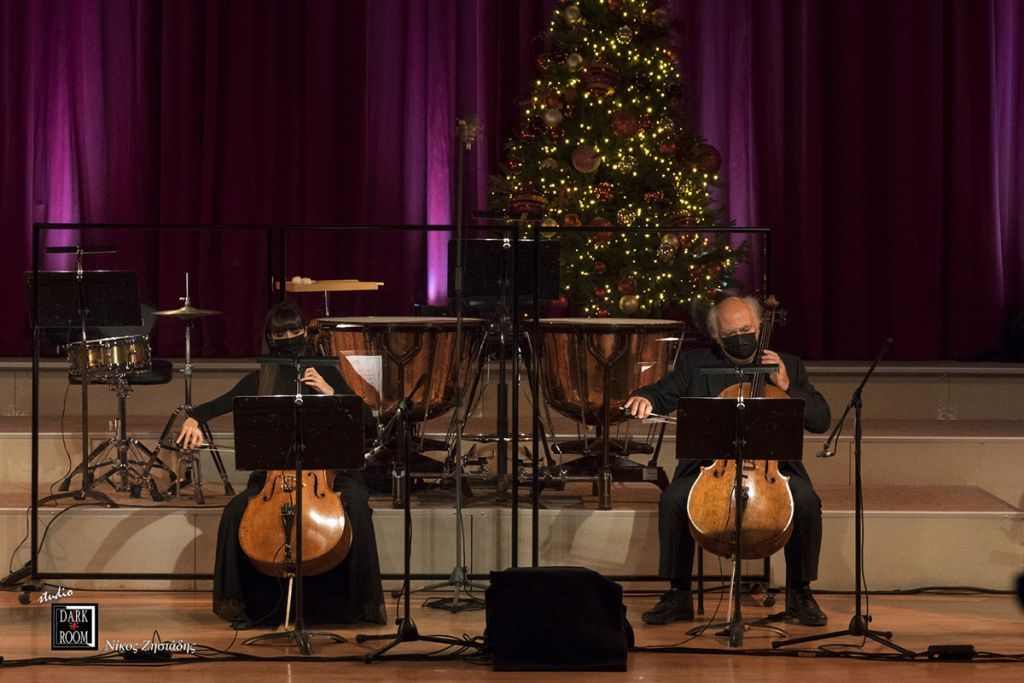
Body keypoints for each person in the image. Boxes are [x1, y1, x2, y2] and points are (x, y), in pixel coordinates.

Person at [623, 295, 831, 627]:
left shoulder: (788, 365)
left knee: (806, 501)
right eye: (730, 333)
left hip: (774, 471)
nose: (740, 336)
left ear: (760, 325)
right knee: (673, 499)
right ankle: (678, 595)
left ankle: (799, 593)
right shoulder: (695, 364)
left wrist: (788, 387)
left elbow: (821, 419)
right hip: (710, 469)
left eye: (746, 328)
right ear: (718, 337)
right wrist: (644, 398)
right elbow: (662, 393)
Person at [177, 301, 386, 628]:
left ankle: (354, 606)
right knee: (235, 511)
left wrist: (331, 393)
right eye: (281, 333)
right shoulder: (261, 379)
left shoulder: (329, 371)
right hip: (275, 475)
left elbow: (365, 421)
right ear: (270, 338)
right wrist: (192, 419)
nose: (289, 337)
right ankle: (254, 605)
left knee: (357, 508)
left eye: (295, 330)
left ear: (306, 332)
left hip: (331, 474)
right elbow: (212, 407)